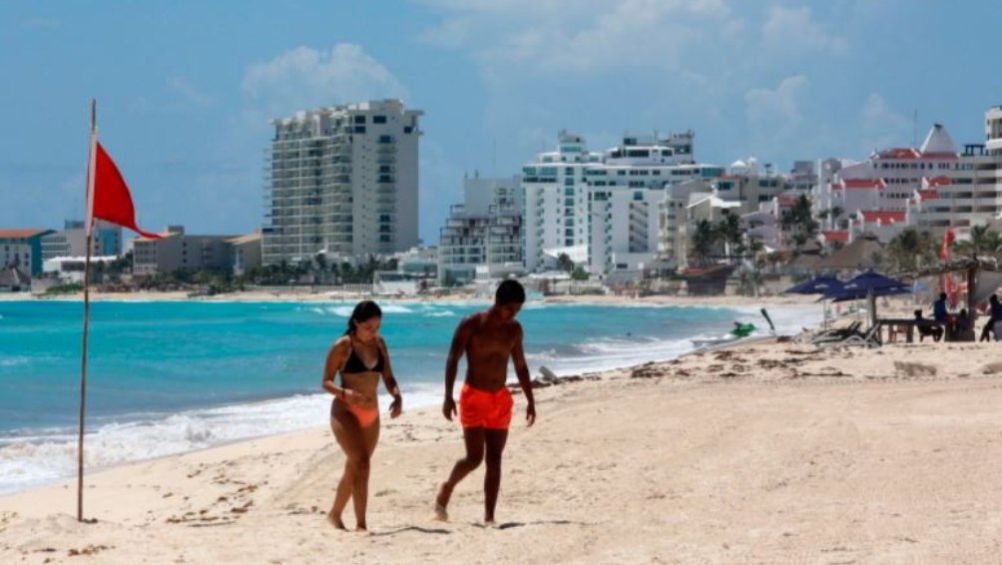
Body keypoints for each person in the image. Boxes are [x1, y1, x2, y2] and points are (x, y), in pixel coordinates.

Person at [434, 279, 536, 526]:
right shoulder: (471, 324)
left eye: (518, 310)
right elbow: (452, 359)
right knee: (474, 458)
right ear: (498, 302)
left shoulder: (514, 330)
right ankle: (447, 488)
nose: (513, 314)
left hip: (500, 399)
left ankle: (489, 517)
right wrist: (447, 397)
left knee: (495, 459)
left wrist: (531, 400)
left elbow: (520, 366)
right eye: (510, 308)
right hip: (473, 397)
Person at [321, 300, 403, 530]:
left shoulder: (379, 344)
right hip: (345, 411)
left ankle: (334, 515)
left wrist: (397, 396)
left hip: (371, 413)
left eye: (377, 328)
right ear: (356, 322)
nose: (373, 332)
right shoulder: (342, 346)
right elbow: (325, 381)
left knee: (355, 466)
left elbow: (388, 377)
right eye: (368, 328)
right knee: (362, 462)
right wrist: (344, 393)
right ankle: (361, 525)